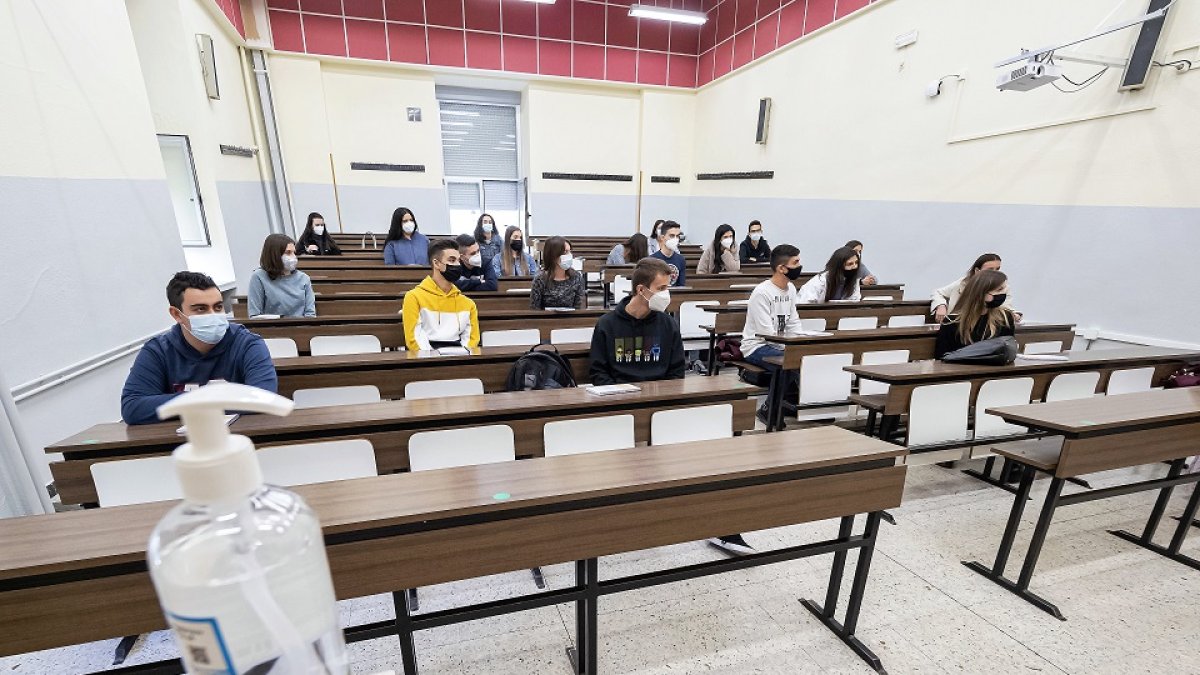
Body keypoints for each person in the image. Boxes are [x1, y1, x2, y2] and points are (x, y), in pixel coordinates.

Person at [121, 272, 276, 425]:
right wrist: (203, 398)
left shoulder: (247, 343)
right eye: (201, 309)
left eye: (218, 307)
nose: (213, 315)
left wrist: (190, 402)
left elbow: (263, 395)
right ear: (177, 314)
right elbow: (133, 407)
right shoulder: (157, 351)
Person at [589, 257, 685, 385]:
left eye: (667, 288)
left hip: (659, 397)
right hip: (619, 397)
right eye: (661, 288)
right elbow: (598, 372)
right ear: (641, 290)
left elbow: (677, 371)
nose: (666, 294)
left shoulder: (669, 324)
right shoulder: (606, 324)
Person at [740, 244, 805, 422]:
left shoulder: (790, 289)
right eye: (796, 262)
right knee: (789, 362)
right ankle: (769, 409)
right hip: (756, 346)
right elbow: (765, 333)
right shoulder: (762, 292)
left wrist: (799, 343)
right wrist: (790, 350)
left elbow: (793, 321)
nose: (800, 266)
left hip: (780, 345)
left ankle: (791, 404)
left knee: (801, 358)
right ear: (781, 268)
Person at [401, 239, 480, 352]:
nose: (457, 265)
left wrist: (461, 358)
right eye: (451, 260)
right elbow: (414, 339)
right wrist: (434, 359)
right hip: (428, 362)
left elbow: (471, 339)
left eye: (458, 261)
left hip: (460, 360)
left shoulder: (468, 304)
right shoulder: (414, 297)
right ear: (436, 263)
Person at [934, 270, 1016, 358]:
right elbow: (942, 356)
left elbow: (1008, 349)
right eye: (999, 290)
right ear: (981, 293)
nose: (1003, 293)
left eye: (1004, 289)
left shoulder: (1004, 317)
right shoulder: (952, 322)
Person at [931, 253, 1019, 323]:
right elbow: (938, 292)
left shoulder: (1003, 287)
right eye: (990, 270)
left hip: (988, 326)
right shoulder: (963, 283)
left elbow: (1006, 306)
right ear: (977, 271)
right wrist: (941, 305)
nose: (994, 273)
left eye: (997, 269)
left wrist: (1014, 315)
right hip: (958, 325)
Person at [247, 234, 316, 318]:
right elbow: (255, 316)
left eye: (294, 252)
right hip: (271, 328)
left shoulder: (303, 278)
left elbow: (310, 314)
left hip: (301, 328)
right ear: (275, 254)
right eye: (288, 252)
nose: (293, 257)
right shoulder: (259, 277)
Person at [530, 236, 587, 310]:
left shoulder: (576, 277)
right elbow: (535, 309)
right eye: (565, 252)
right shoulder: (540, 279)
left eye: (569, 251)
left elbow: (579, 308)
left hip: (571, 320)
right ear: (553, 255)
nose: (569, 255)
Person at [649, 220, 687, 287]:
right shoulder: (652, 260)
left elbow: (681, 286)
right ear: (662, 238)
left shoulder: (681, 259)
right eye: (672, 236)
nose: (675, 239)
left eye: (677, 236)